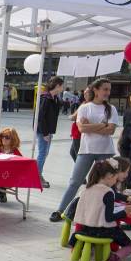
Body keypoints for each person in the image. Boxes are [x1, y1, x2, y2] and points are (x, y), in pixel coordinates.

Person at [51, 78, 118, 222]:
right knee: (75, 181)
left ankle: (107, 213)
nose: (107, 92)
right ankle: (60, 210)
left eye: (109, 89)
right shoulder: (84, 108)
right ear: (96, 90)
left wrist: (92, 126)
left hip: (105, 150)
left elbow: (111, 131)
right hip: (86, 149)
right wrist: (102, 125)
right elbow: (81, 129)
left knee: (105, 183)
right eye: (105, 89)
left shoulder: (111, 109)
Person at [70, 159, 131, 261]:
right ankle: (114, 258)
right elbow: (109, 218)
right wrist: (125, 212)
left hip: (85, 229)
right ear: (110, 176)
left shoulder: (87, 188)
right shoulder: (108, 192)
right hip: (103, 230)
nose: (115, 182)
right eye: (116, 179)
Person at [35, 76, 63, 188]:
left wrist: (56, 96)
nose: (63, 88)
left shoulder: (53, 98)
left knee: (44, 153)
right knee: (42, 154)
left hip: (48, 130)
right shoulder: (45, 98)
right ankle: (37, 176)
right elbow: (40, 117)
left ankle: (37, 174)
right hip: (44, 131)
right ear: (57, 86)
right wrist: (45, 133)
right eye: (61, 86)